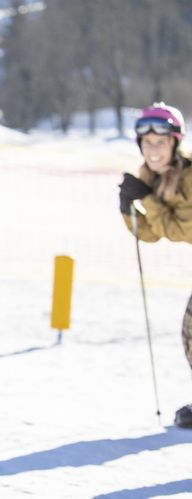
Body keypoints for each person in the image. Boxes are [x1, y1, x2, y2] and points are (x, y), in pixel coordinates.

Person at [117, 102, 192, 429]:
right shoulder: (155, 177)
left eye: (160, 142)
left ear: (174, 142)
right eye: (147, 143)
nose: (153, 149)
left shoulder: (189, 175)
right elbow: (149, 234)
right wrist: (127, 207)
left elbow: (181, 229)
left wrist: (147, 200)